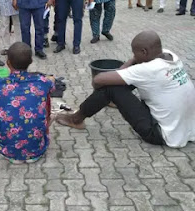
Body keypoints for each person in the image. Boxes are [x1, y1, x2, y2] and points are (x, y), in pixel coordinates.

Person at [54, 31, 195, 148]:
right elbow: (133, 68)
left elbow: (98, 80)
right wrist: (135, 60)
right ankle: (110, 100)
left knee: (111, 88)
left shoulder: (148, 69)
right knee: (124, 79)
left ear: (144, 51)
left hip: (162, 134)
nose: (134, 57)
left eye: (135, 53)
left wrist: (108, 85)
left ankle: (76, 119)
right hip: (186, 128)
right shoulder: (170, 56)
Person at [0, 42, 55, 163]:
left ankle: (3, 134)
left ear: (8, 63)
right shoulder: (42, 81)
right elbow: (52, 87)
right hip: (37, 150)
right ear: (31, 61)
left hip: (8, 152)